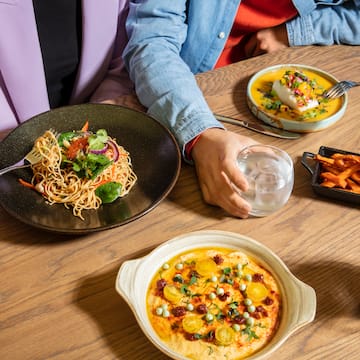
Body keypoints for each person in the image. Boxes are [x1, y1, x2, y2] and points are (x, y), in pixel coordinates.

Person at [123, 0, 360, 218]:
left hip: (279, 97)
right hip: (185, 97)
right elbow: (151, 42)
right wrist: (199, 134)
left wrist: (291, 32)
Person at [0, 0, 133, 134]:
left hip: (92, 126)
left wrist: (96, 119)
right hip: (11, 134)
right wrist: (19, 142)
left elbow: (119, 67)